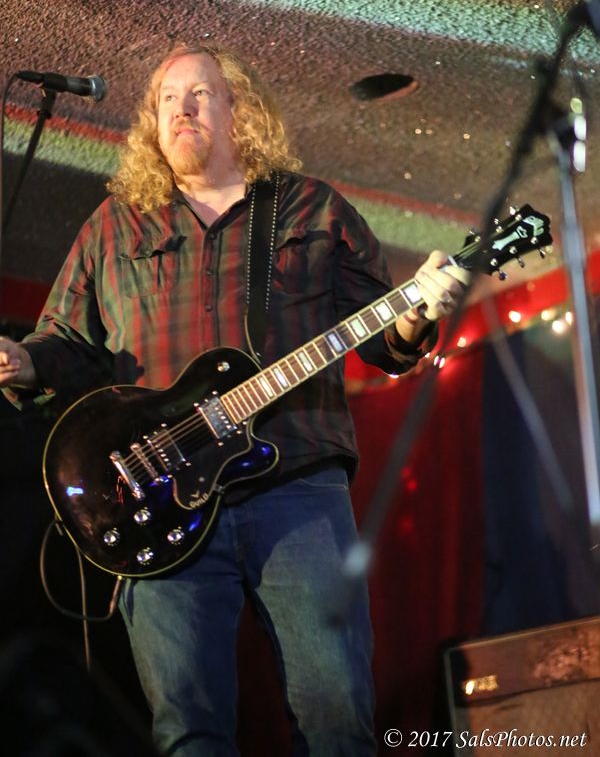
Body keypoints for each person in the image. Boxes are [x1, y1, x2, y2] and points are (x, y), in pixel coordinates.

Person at [0, 43, 469, 756]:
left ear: (238, 111)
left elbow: (385, 341)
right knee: (189, 730)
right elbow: (67, 341)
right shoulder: (114, 226)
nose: (181, 109)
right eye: (167, 99)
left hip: (297, 487)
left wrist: (417, 313)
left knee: (338, 715)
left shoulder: (313, 209)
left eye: (199, 94)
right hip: (156, 494)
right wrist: (24, 361)